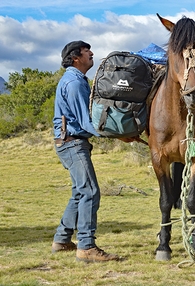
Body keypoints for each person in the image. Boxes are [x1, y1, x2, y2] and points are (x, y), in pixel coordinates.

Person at [52, 40, 120, 262]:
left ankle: (62, 240)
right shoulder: (74, 83)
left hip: (68, 142)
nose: (91, 53)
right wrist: (118, 133)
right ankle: (87, 247)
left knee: (79, 192)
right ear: (75, 58)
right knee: (90, 191)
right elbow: (86, 121)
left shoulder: (75, 80)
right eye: (86, 51)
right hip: (72, 143)